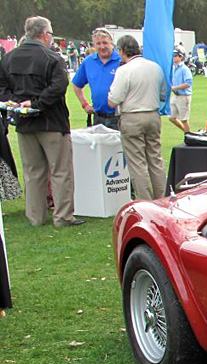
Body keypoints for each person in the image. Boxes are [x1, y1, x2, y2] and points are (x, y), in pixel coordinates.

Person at [0, 16, 82, 227]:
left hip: (25, 125)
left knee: (33, 172)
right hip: (52, 122)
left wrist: (17, 103)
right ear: (45, 35)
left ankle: (35, 216)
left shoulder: (9, 58)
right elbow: (58, 87)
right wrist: (35, 103)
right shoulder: (52, 58)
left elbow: (2, 88)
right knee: (61, 171)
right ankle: (63, 216)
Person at [107, 34, 167, 201]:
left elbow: (113, 100)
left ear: (121, 51)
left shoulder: (124, 70)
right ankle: (161, 198)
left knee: (137, 162)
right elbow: (163, 94)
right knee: (155, 159)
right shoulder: (155, 67)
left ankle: (145, 201)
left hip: (132, 116)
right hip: (153, 114)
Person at [71, 28, 121, 130]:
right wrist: (84, 103)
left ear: (111, 42)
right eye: (98, 43)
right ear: (93, 45)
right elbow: (76, 84)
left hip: (119, 117)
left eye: (105, 43)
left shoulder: (121, 60)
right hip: (98, 117)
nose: (102, 46)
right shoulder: (88, 62)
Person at [168, 49, 192, 134]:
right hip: (175, 95)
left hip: (183, 95)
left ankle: (189, 136)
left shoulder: (184, 69)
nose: (173, 57)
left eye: (175, 55)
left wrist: (174, 88)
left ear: (180, 57)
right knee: (171, 117)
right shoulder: (173, 68)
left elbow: (188, 83)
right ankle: (187, 133)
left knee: (184, 119)